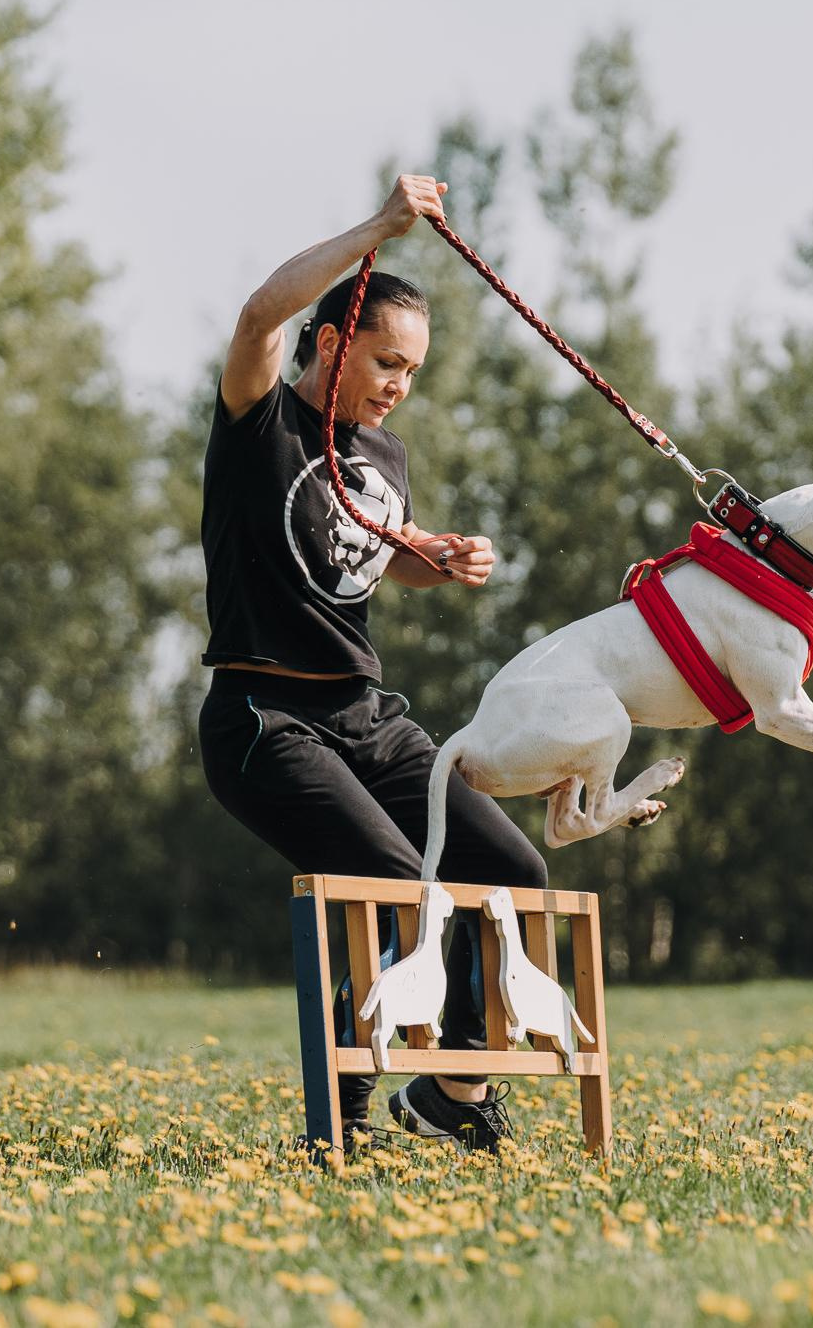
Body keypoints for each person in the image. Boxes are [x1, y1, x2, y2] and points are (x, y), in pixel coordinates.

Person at [197, 173, 544, 1154]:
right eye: (385, 359)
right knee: (389, 880)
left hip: (366, 717)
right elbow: (261, 311)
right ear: (332, 343)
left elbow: (376, 552)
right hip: (266, 718)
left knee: (509, 866)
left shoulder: (381, 455)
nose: (398, 382)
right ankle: (337, 1118)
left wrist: (438, 558)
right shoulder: (257, 416)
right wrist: (382, 229)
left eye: (413, 370)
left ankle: (451, 1088)